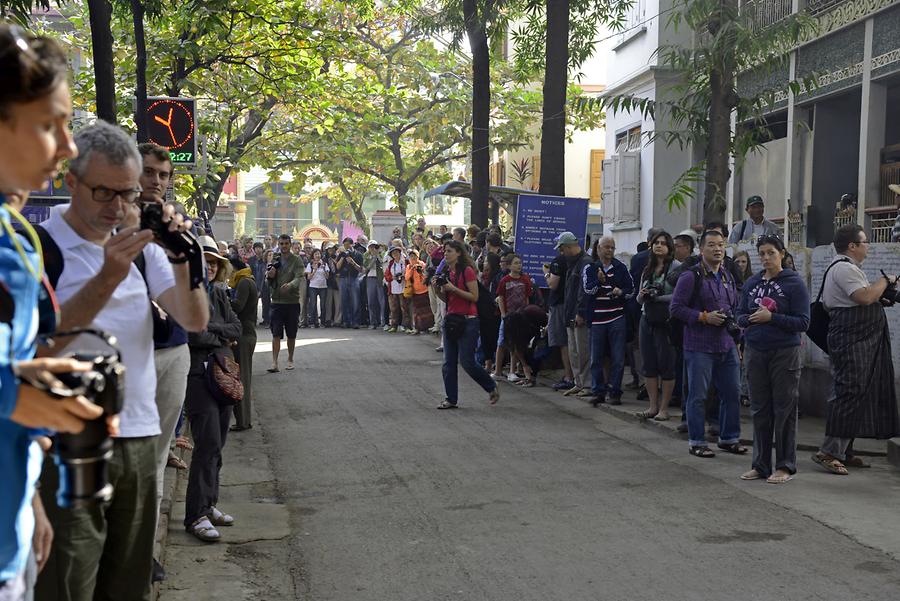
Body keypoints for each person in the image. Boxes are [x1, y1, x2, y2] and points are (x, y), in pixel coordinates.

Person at [35, 121, 209, 601]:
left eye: (127, 193)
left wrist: (182, 256)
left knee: (127, 581)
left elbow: (194, 320)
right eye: (103, 192)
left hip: (138, 433)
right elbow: (31, 347)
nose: (117, 206)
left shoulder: (138, 246)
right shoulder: (39, 251)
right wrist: (107, 276)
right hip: (69, 442)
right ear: (70, 183)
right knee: (69, 580)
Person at [0, 27, 111, 600]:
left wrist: (32, 502)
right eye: (50, 124)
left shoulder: (16, 234)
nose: (68, 147)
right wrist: (22, 390)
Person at [136, 142, 190, 583]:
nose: (156, 181)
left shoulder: (177, 225)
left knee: (156, 458)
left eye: (163, 174)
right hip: (128, 356)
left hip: (173, 350)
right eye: (148, 172)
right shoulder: (112, 222)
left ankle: (143, 551)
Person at [811, 224, 900, 475]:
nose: (868, 246)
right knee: (848, 391)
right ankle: (829, 452)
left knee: (859, 391)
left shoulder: (849, 269)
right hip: (851, 340)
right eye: (865, 242)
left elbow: (863, 299)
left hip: (859, 340)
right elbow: (863, 297)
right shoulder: (843, 268)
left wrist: (880, 296)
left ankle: (844, 450)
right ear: (852, 246)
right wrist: (884, 281)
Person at [736, 235, 809, 484]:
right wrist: (750, 319)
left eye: (771, 253)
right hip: (756, 350)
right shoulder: (753, 282)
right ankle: (760, 464)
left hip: (784, 352)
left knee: (785, 409)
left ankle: (785, 465)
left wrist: (773, 318)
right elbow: (739, 314)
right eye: (762, 253)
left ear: (781, 253)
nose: (766, 258)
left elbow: (803, 322)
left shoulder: (794, 283)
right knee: (759, 409)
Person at [183, 238, 241, 541]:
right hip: (197, 376)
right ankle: (196, 515)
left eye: (214, 262)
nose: (209, 266)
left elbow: (238, 328)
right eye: (204, 259)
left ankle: (209, 503)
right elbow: (193, 335)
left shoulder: (218, 295)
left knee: (217, 445)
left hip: (222, 376)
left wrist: (214, 331)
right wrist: (221, 335)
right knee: (206, 445)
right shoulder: (186, 294)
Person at [669, 228, 746, 459]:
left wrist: (738, 338)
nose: (717, 249)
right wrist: (703, 317)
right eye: (711, 245)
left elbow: (733, 309)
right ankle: (697, 441)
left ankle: (729, 438)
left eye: (721, 245)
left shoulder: (727, 276)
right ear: (701, 249)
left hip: (726, 344)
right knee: (698, 395)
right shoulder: (690, 276)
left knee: (732, 392)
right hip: (699, 345)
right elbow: (676, 308)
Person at [434, 240, 500, 409]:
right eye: (445, 251)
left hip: (468, 320)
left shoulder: (467, 271)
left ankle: (490, 385)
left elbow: (474, 297)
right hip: (451, 319)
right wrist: (438, 289)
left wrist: (453, 288)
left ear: (458, 253)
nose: (446, 254)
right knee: (448, 363)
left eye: (449, 251)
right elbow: (447, 299)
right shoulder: (449, 272)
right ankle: (451, 398)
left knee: (467, 362)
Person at [583, 236, 633, 406]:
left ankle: (615, 391)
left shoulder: (620, 268)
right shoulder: (590, 268)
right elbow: (588, 290)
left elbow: (631, 289)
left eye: (612, 247)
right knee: (596, 358)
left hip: (616, 317)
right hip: (597, 319)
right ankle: (598, 391)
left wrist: (620, 291)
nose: (610, 251)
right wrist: (599, 280)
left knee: (618, 358)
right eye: (606, 247)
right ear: (598, 249)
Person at [635, 231, 678, 420]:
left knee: (667, 365)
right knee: (648, 364)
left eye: (663, 243)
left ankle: (664, 408)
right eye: (656, 243)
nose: (659, 246)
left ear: (669, 247)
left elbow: (680, 296)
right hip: (647, 319)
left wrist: (658, 297)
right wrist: (644, 295)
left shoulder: (676, 268)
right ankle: (652, 406)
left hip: (666, 322)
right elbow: (637, 299)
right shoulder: (647, 269)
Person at [556, 232, 592, 397]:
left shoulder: (585, 262)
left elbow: (584, 291)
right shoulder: (573, 262)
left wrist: (580, 312)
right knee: (574, 351)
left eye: (562, 249)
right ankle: (579, 382)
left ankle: (587, 384)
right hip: (570, 313)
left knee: (583, 350)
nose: (561, 253)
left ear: (569, 246)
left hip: (578, 315)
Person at [228, 255, 259, 431]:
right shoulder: (245, 280)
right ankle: (243, 420)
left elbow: (238, 306)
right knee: (242, 378)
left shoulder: (244, 282)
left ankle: (243, 421)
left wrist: (223, 299)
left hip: (244, 336)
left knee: (242, 380)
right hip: (246, 334)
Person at [267, 234, 303, 372]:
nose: (283, 246)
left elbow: (299, 277)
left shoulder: (297, 260)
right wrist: (269, 276)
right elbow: (268, 280)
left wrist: (291, 285)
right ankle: (274, 362)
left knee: (291, 333)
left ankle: (290, 359)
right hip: (276, 301)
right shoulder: (274, 258)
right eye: (281, 244)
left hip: (292, 301)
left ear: (290, 244)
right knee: (276, 333)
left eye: (286, 243)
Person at [493, 255, 533, 382]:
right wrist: (504, 314)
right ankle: (498, 370)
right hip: (507, 316)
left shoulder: (525, 280)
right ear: (509, 266)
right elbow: (500, 298)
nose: (518, 265)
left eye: (520, 263)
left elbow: (527, 298)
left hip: (520, 316)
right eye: (515, 263)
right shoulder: (504, 280)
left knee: (516, 343)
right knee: (502, 342)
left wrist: (525, 313)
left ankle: (512, 371)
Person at [543, 245, 575, 392]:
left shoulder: (557, 261)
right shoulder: (578, 261)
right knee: (572, 342)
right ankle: (575, 376)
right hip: (571, 303)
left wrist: (546, 274)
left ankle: (569, 376)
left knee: (563, 342)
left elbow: (552, 284)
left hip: (559, 305)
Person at [336, 237, 363, 329]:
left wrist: (353, 262)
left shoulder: (358, 254)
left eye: (348, 245)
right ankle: (346, 321)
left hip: (354, 278)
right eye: (345, 245)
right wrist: (343, 257)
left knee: (355, 301)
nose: (346, 247)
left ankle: (355, 321)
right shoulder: (342, 254)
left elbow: (361, 269)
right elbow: (338, 267)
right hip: (343, 279)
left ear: (352, 245)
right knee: (344, 300)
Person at [404, 249, 433, 334]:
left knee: (427, 311)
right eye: (411, 256)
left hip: (424, 290)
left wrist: (419, 270)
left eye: (414, 256)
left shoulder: (423, 264)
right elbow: (406, 277)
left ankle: (427, 327)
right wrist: (412, 269)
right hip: (414, 291)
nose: (413, 258)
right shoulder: (409, 266)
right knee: (416, 311)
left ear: (418, 256)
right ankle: (417, 328)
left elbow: (425, 277)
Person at [305, 249, 330, 328]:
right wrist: (315, 269)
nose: (317, 256)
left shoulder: (325, 264)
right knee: (313, 304)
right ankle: (313, 322)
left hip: (323, 286)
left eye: (319, 254)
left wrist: (323, 268)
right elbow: (309, 277)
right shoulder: (310, 264)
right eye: (316, 254)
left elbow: (327, 277)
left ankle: (323, 322)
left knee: (323, 305)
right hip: (313, 286)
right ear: (313, 256)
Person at [363, 240, 384, 330]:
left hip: (379, 279)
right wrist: (373, 258)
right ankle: (373, 322)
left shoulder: (381, 254)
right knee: (371, 301)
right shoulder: (366, 256)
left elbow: (383, 263)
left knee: (381, 301)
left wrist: (378, 255)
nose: (373, 248)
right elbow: (367, 267)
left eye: (374, 246)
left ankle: (382, 321)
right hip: (370, 278)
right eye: (371, 247)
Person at [385, 246, 407, 332]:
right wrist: (392, 277)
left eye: (397, 252)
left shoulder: (404, 262)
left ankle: (405, 325)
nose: (395, 254)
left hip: (403, 287)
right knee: (394, 308)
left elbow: (408, 273)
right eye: (393, 253)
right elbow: (387, 276)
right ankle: (394, 325)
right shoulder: (391, 264)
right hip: (393, 288)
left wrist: (403, 276)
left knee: (404, 308)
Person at [249, 242, 269, 325]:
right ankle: (253, 320)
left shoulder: (265, 259)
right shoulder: (251, 260)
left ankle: (266, 319)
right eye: (256, 248)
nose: (258, 249)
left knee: (266, 303)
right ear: (254, 249)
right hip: (254, 282)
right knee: (253, 303)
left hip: (264, 283)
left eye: (260, 247)